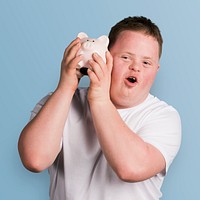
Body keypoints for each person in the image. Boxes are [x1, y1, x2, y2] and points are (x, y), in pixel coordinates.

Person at [18, 16, 181, 200]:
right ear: (105, 57)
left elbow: (131, 168)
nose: (136, 67)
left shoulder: (163, 117)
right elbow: (34, 160)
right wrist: (65, 88)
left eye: (146, 62)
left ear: (156, 69)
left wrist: (100, 100)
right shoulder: (59, 102)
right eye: (126, 57)